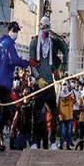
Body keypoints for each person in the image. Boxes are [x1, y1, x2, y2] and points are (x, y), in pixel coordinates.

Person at [0, 22, 28, 151]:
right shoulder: (8, 44)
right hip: (2, 83)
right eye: (15, 30)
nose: (16, 33)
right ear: (10, 30)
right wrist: (27, 63)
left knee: (4, 111)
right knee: (8, 111)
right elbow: (14, 60)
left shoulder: (0, 43)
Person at [28, 17, 57, 150]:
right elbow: (32, 63)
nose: (46, 31)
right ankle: (34, 141)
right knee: (35, 113)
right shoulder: (34, 42)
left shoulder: (51, 44)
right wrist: (38, 77)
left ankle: (53, 141)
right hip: (39, 84)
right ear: (40, 27)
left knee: (54, 114)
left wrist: (58, 70)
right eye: (44, 28)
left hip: (50, 83)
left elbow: (53, 62)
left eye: (48, 28)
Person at [57, 80, 75, 150]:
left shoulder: (71, 95)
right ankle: (61, 145)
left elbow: (75, 101)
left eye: (65, 85)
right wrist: (58, 114)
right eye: (63, 85)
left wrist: (71, 91)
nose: (64, 86)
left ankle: (68, 145)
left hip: (69, 116)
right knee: (63, 132)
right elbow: (57, 106)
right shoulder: (59, 96)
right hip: (62, 117)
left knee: (69, 132)